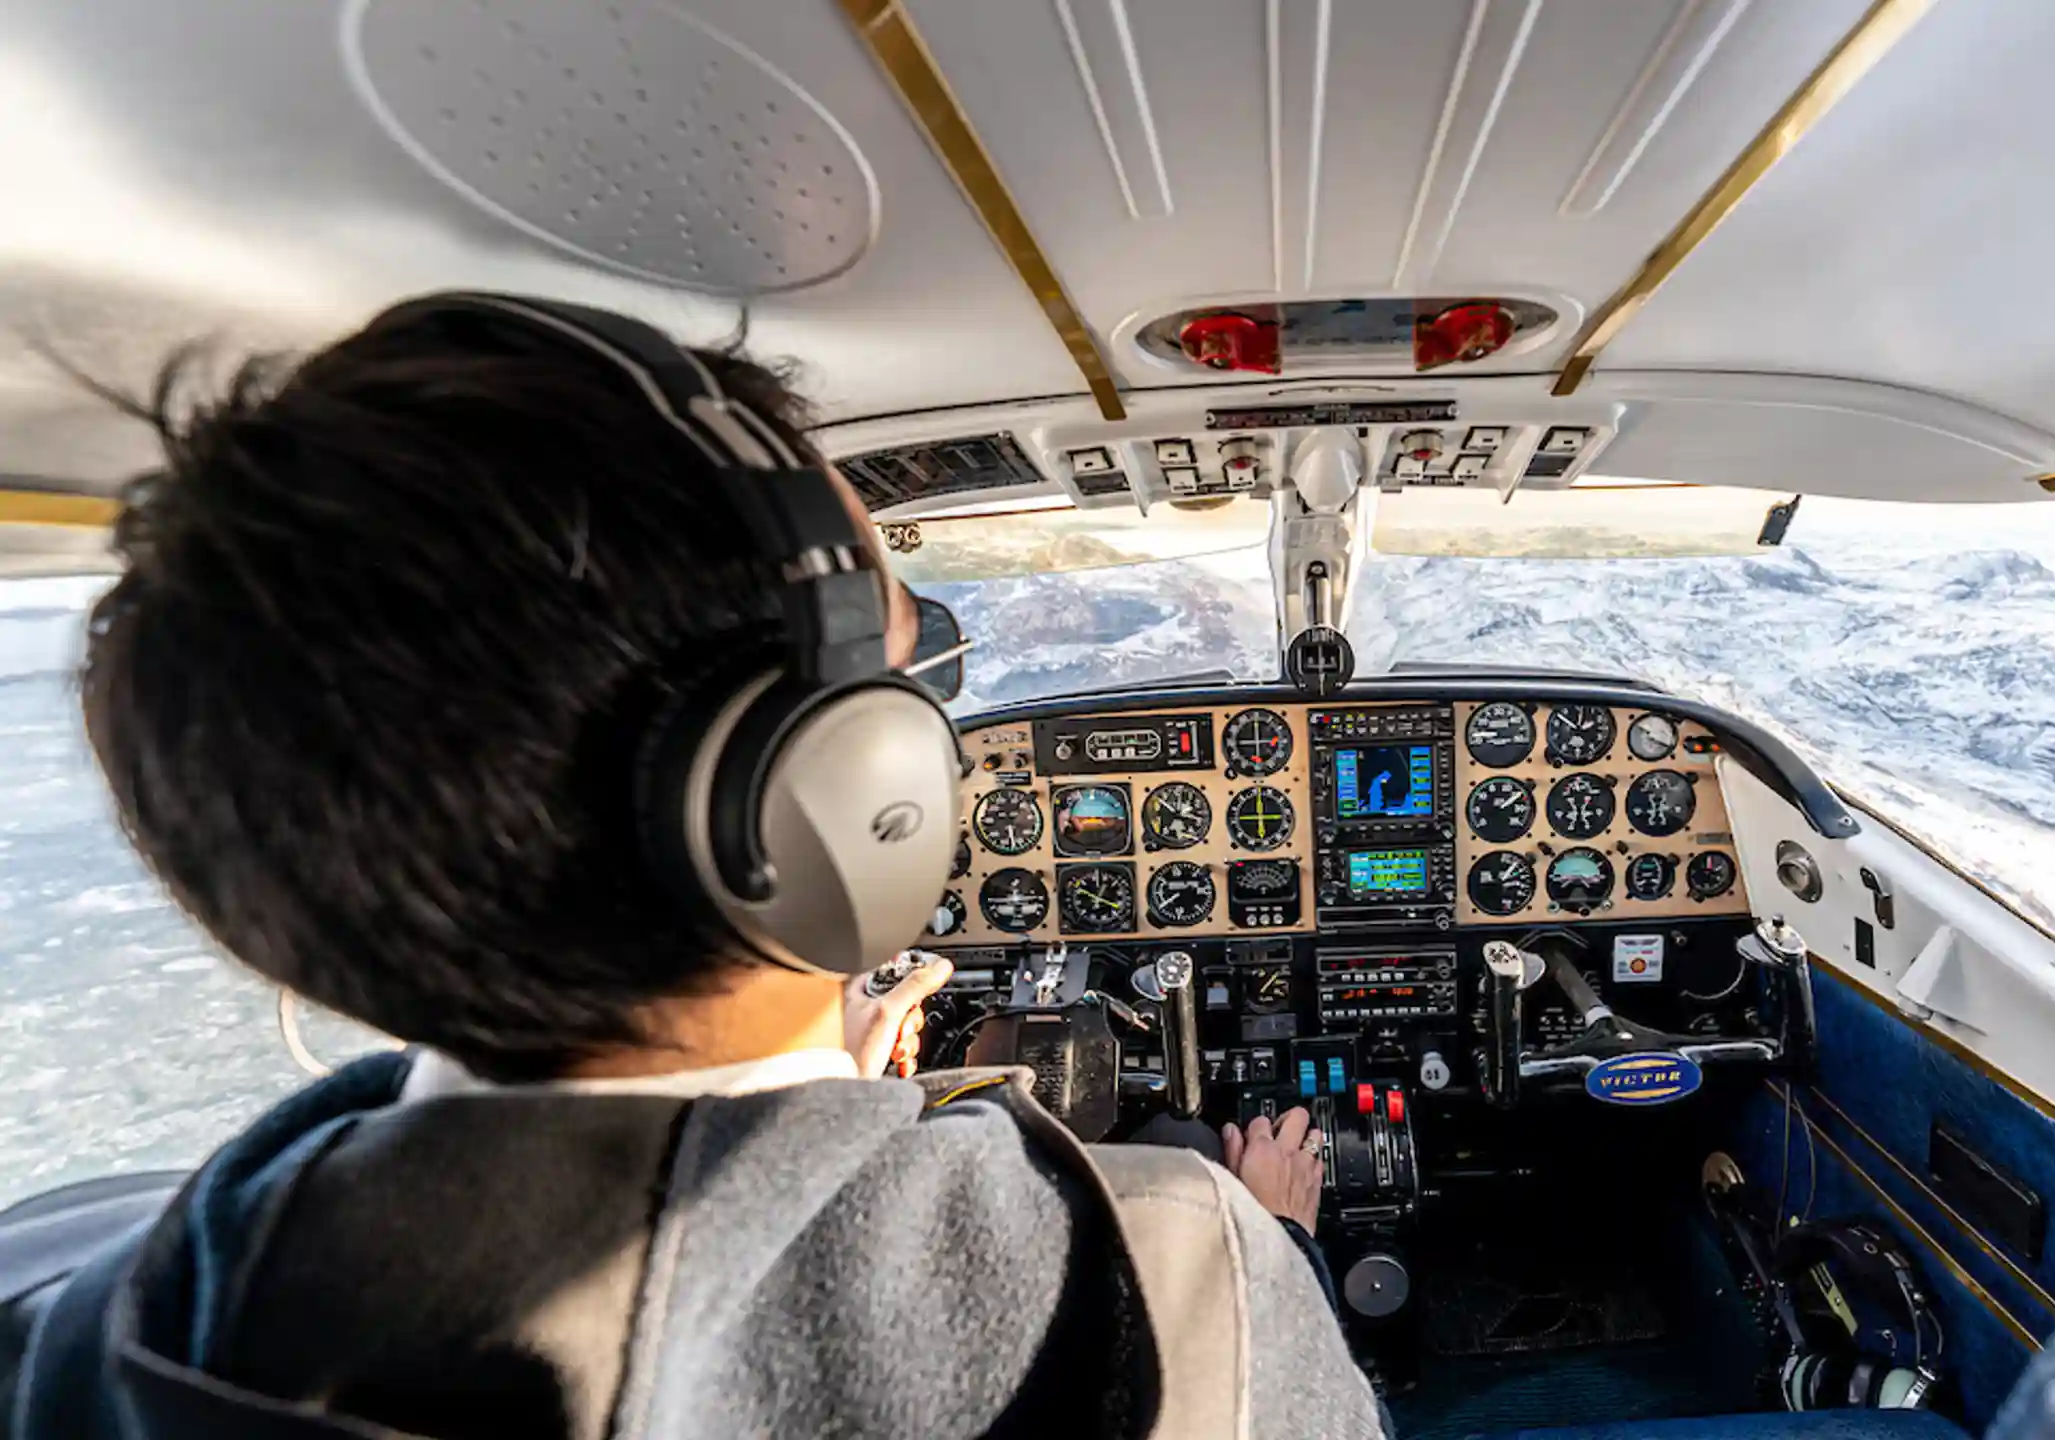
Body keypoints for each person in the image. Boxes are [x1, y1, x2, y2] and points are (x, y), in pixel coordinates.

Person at [3, 298, 1384, 1438]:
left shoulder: (75, 1331)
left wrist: (817, 1083)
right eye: (915, 670)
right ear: (825, 787)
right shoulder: (1173, 1276)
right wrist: (1283, 1250)